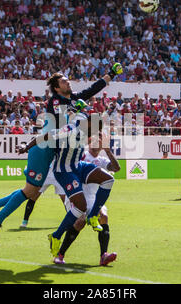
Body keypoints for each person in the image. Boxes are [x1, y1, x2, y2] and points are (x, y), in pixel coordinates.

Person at [0, 63, 123, 240]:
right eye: (64, 81)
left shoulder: (74, 98)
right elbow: (60, 125)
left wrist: (111, 74)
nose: (68, 82)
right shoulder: (56, 101)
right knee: (30, 192)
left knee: (31, 191)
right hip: (43, 149)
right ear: (57, 88)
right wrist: (75, 111)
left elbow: (94, 88)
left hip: (53, 152)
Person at [19, 111, 116, 261]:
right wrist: (26, 148)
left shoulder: (86, 131)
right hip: (64, 170)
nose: (94, 133)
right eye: (95, 129)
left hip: (78, 166)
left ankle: (92, 218)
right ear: (89, 123)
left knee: (108, 180)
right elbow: (47, 135)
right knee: (81, 207)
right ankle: (56, 237)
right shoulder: (71, 130)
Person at [54, 132, 120, 266]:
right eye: (94, 141)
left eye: (99, 142)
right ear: (89, 142)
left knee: (104, 217)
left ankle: (104, 256)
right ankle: (60, 255)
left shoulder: (102, 160)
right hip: (76, 194)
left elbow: (116, 168)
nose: (96, 144)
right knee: (80, 222)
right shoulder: (82, 155)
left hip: (94, 198)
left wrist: (108, 151)